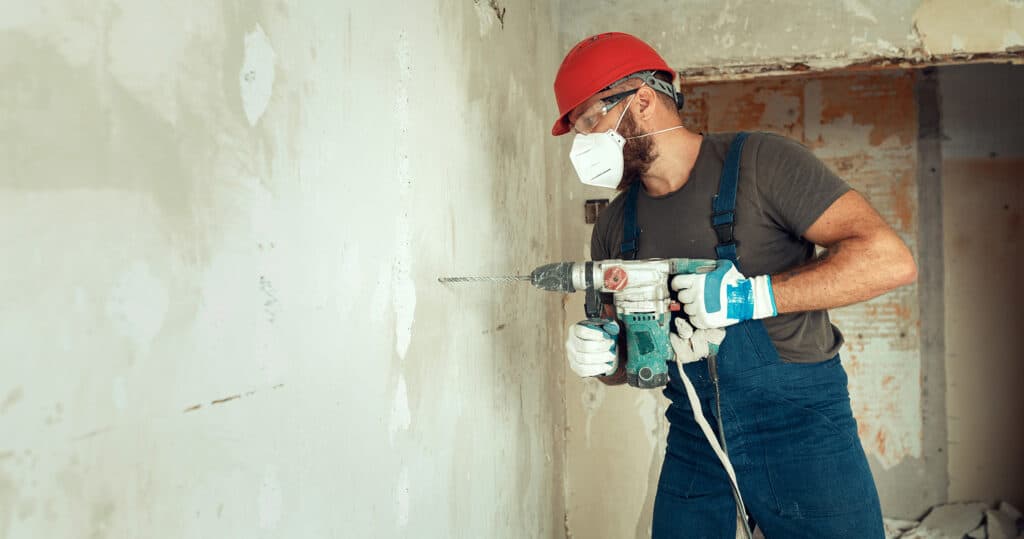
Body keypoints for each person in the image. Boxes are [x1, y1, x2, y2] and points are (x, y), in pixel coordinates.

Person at [554, 33, 917, 539]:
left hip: (806, 436)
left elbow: (889, 260)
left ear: (640, 99)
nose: (584, 144)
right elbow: (630, 364)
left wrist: (754, 296)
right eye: (577, 130)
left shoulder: (761, 164)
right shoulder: (615, 225)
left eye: (591, 120)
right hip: (694, 443)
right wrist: (603, 357)